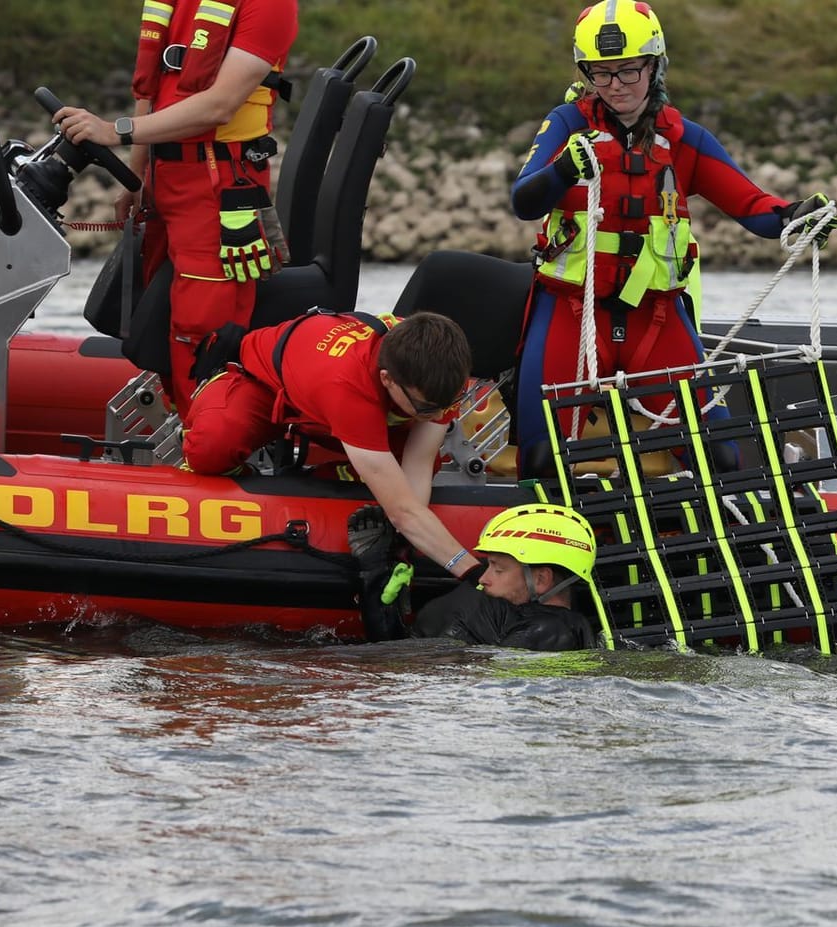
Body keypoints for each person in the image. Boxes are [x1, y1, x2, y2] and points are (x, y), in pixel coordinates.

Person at [508, 1, 837, 474]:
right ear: (585, 74)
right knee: (540, 456)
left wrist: (798, 216)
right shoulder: (566, 125)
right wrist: (564, 169)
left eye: (628, 71)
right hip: (570, 311)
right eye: (602, 75)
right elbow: (524, 202)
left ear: (655, 65)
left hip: (656, 317)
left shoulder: (685, 139)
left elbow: (753, 207)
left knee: (719, 455)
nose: (616, 86)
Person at [52, 0, 299, 413]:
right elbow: (150, 90)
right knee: (163, 316)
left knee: (201, 331)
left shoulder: (271, 5)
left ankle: (209, 443)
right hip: (163, 178)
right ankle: (184, 434)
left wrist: (115, 132)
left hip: (219, 185)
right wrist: (136, 180)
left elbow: (220, 105)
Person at [184, 309, 482, 583]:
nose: (440, 416)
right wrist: (472, 572)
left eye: (450, 404)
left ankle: (318, 481)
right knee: (211, 448)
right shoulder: (349, 386)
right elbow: (403, 511)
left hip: (337, 404)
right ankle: (253, 479)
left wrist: (405, 542)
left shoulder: (440, 377)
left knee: (410, 473)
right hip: (266, 385)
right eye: (428, 408)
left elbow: (417, 468)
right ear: (387, 380)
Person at [351, 503, 599, 651]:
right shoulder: (504, 608)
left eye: (498, 569)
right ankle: (374, 577)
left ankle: (373, 577)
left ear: (542, 579)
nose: (482, 578)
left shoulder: (552, 632)